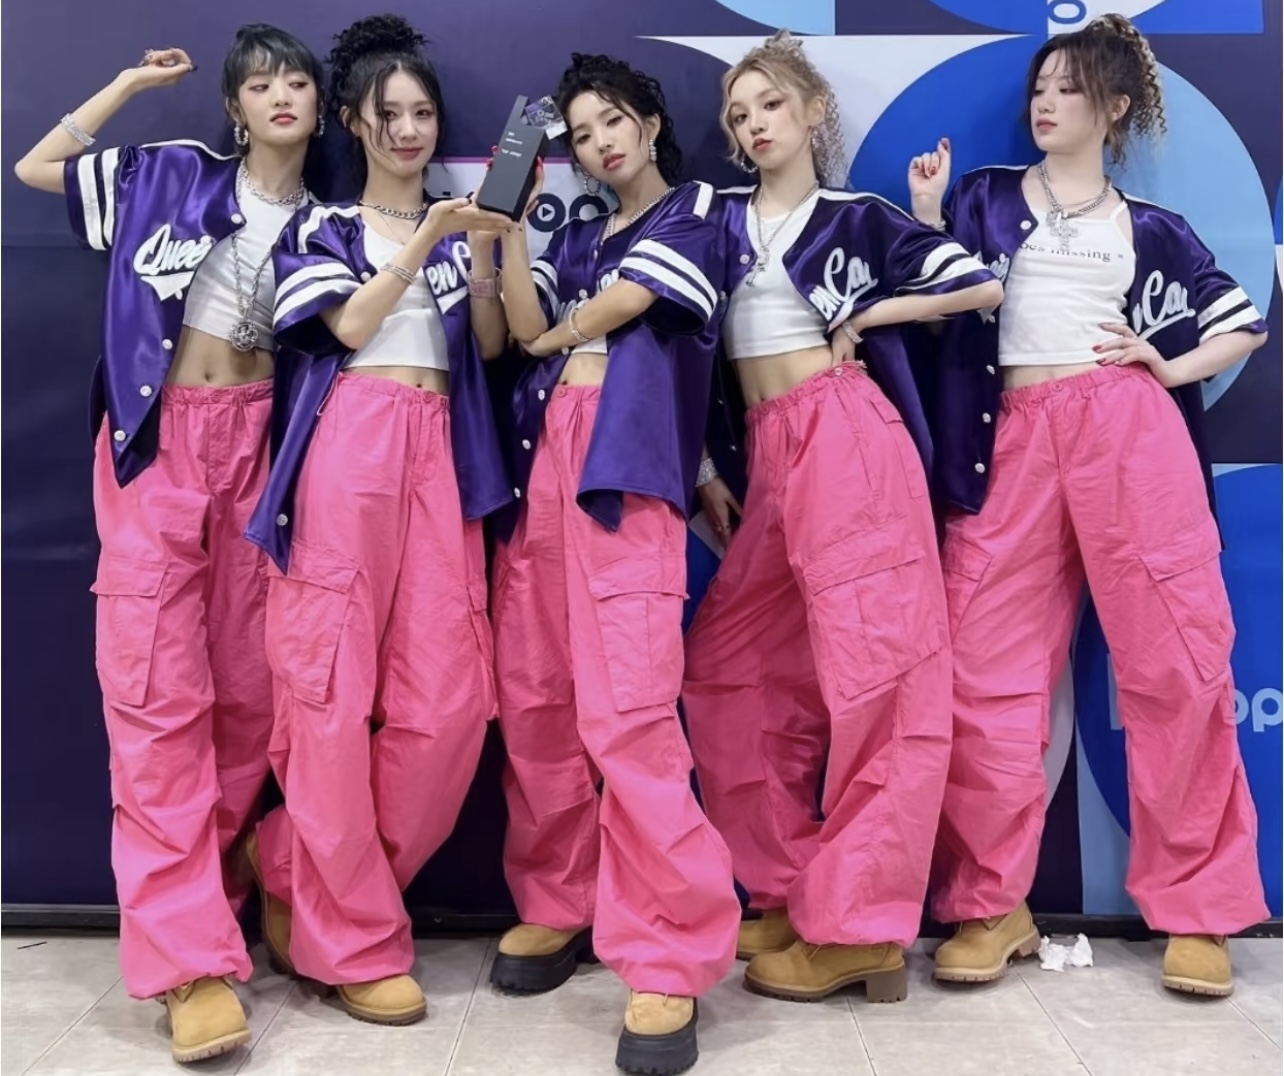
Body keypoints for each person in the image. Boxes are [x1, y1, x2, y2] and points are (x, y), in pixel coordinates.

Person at [907, 14, 1269, 996]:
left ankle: (1199, 908)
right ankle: (991, 903)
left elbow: (1242, 322)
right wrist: (931, 217)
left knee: (1178, 663)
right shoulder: (982, 197)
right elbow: (935, 297)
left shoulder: (1153, 226)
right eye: (1041, 86)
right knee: (981, 670)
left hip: (1128, 433)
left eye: (1068, 88)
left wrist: (1169, 365)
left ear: (1113, 107)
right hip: (1008, 438)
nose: (1046, 102)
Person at [13, 27, 323, 1063]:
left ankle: (221, 882)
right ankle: (189, 963)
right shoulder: (170, 175)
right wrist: (126, 86)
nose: (280, 96)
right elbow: (35, 168)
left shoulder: (329, 223)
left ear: (320, 106)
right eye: (261, 85)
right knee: (154, 698)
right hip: (160, 445)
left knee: (250, 697)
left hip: (260, 454)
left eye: (297, 81)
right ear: (235, 108)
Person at [682, 30, 1003, 1005]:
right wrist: (704, 465)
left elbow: (979, 282)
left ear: (813, 111)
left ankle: (862, 928)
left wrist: (867, 316)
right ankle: (789, 886)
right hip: (767, 457)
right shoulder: (717, 220)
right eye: (739, 114)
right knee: (728, 668)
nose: (754, 124)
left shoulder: (852, 216)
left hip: (845, 436)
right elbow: (678, 342)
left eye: (771, 104)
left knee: (882, 682)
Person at [241, 15, 515, 1026]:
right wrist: (430, 237)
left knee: (449, 704)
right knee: (328, 697)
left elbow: (491, 345)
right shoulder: (321, 229)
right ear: (353, 122)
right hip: (350, 445)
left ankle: (287, 862)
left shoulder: (455, 224)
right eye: (388, 112)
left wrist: (481, 249)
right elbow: (348, 325)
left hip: (444, 455)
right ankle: (349, 936)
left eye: (422, 112)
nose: (407, 129)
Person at [489, 52, 741, 1076]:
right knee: (538, 694)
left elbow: (622, 307)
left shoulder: (699, 210)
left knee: (630, 708)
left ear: (648, 121)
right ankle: (559, 900)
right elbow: (519, 331)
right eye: (582, 133)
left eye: (611, 122)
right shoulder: (576, 237)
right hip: (544, 455)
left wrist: (559, 331)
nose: (599, 143)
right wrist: (507, 229)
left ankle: (669, 950)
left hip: (624, 467)